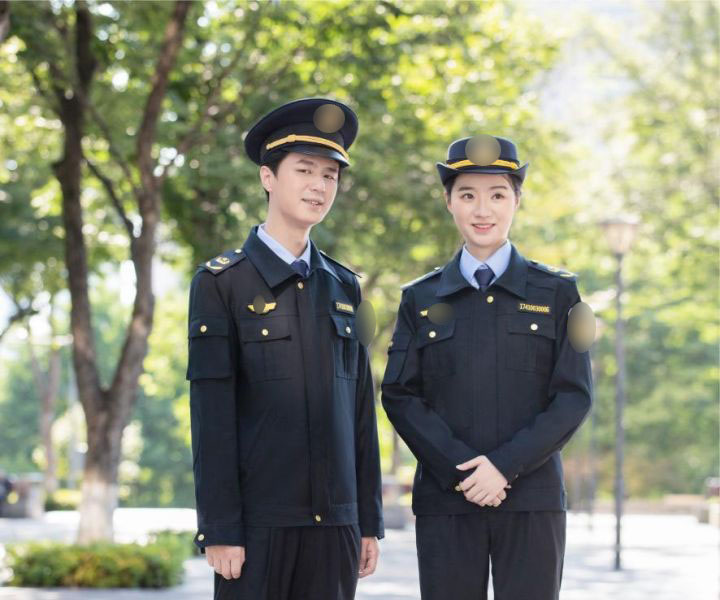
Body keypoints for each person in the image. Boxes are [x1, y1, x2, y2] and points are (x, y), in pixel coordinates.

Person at [186, 98, 384, 600]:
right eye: (304, 170)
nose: (319, 186)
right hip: (257, 530)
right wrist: (220, 528)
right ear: (268, 177)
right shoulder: (221, 283)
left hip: (336, 528)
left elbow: (361, 410)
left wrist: (367, 520)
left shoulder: (345, 286)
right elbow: (211, 416)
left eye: (330, 176)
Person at [381, 134, 593, 600]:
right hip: (447, 502)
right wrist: (464, 473)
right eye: (467, 195)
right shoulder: (419, 298)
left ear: (517, 200)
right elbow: (399, 394)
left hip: (532, 499)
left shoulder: (558, 293)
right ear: (448, 202)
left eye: (497, 195)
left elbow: (574, 396)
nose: (483, 210)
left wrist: (504, 467)